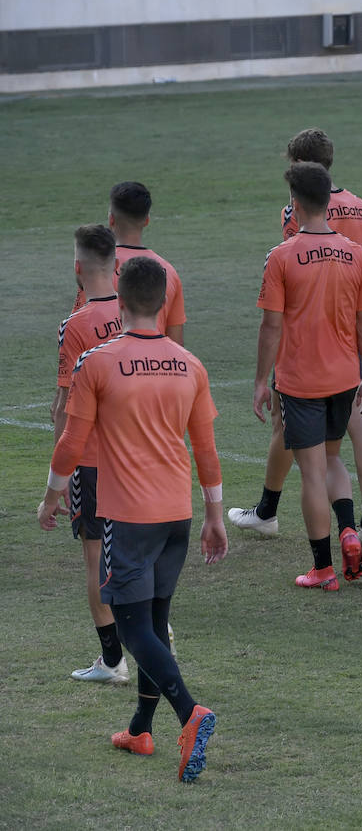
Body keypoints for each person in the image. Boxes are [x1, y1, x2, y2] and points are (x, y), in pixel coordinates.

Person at [37, 256, 226, 782]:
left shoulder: (97, 362)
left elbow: (72, 443)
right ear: (164, 302)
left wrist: (52, 499)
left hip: (129, 517)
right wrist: (215, 515)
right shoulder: (189, 363)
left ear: (119, 300)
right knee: (155, 623)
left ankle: (191, 714)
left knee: (132, 627)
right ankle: (141, 728)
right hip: (178, 515)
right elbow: (206, 450)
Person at [229, 128, 362, 547]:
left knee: (301, 448)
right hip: (347, 337)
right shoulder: (359, 208)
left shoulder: (290, 226)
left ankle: (273, 517)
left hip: (305, 345)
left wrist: (263, 378)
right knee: (352, 430)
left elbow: (278, 307)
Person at [254, 162, 362, 591]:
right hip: (345, 377)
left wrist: (259, 382)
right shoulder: (356, 254)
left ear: (294, 204)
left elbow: (271, 326)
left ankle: (323, 569)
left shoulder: (282, 256)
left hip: (299, 381)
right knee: (332, 460)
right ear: (329, 200)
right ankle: (349, 527)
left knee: (310, 473)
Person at [53, 224, 127, 684]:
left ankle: (113, 660)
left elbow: (66, 405)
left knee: (96, 559)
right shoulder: (140, 310)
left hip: (93, 460)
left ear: (78, 269)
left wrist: (57, 477)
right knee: (134, 554)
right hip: (139, 456)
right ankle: (152, 631)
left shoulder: (77, 325)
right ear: (117, 266)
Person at [71, 181, 186, 344]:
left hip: (103, 365)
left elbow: (79, 330)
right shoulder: (169, 272)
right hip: (150, 365)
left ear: (111, 219)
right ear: (147, 220)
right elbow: (176, 344)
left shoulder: (98, 266)